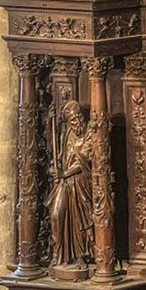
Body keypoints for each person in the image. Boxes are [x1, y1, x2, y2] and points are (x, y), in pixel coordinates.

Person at [49, 99, 94, 269]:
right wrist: (50, 124)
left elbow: (83, 160)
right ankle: (60, 254)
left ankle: (81, 255)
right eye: (72, 119)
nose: (77, 122)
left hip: (81, 182)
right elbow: (58, 152)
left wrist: (64, 173)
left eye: (78, 117)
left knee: (80, 220)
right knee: (56, 214)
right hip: (65, 183)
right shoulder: (67, 134)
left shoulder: (90, 133)